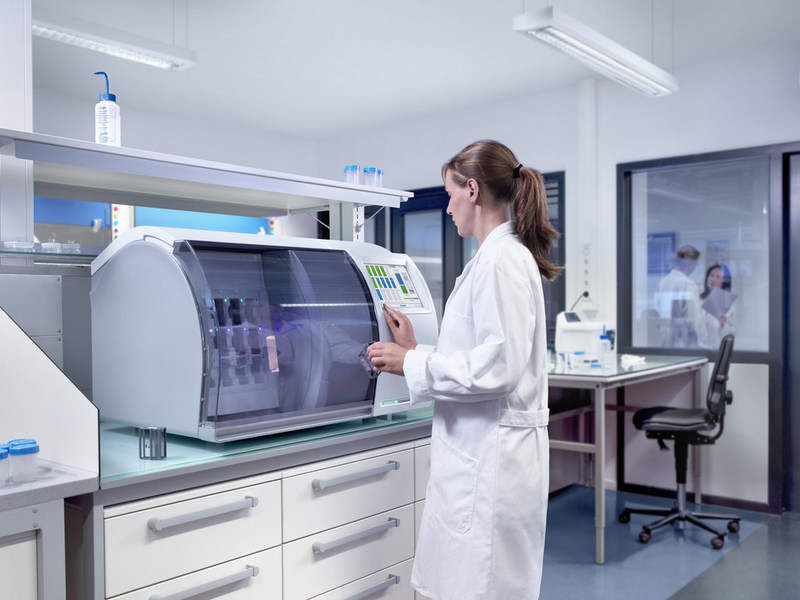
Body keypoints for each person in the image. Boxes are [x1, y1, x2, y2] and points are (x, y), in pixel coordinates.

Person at [367, 140, 560, 599]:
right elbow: (479, 351)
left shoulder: (500, 260)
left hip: (491, 462)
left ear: (472, 190)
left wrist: (411, 362)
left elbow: (499, 367)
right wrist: (416, 349)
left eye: (450, 194)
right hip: (484, 455)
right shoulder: (495, 258)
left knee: (479, 588)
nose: (448, 207)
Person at [656, 245, 703, 348]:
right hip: (684, 344)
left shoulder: (663, 282)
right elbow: (693, 320)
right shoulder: (687, 284)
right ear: (691, 263)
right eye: (695, 264)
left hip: (665, 341)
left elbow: (660, 313)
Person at [698, 263, 735, 348]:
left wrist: (722, 324)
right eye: (711, 275)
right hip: (697, 348)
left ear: (724, 282)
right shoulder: (698, 299)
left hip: (716, 350)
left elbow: (731, 333)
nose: (713, 279)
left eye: (718, 277)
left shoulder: (728, 304)